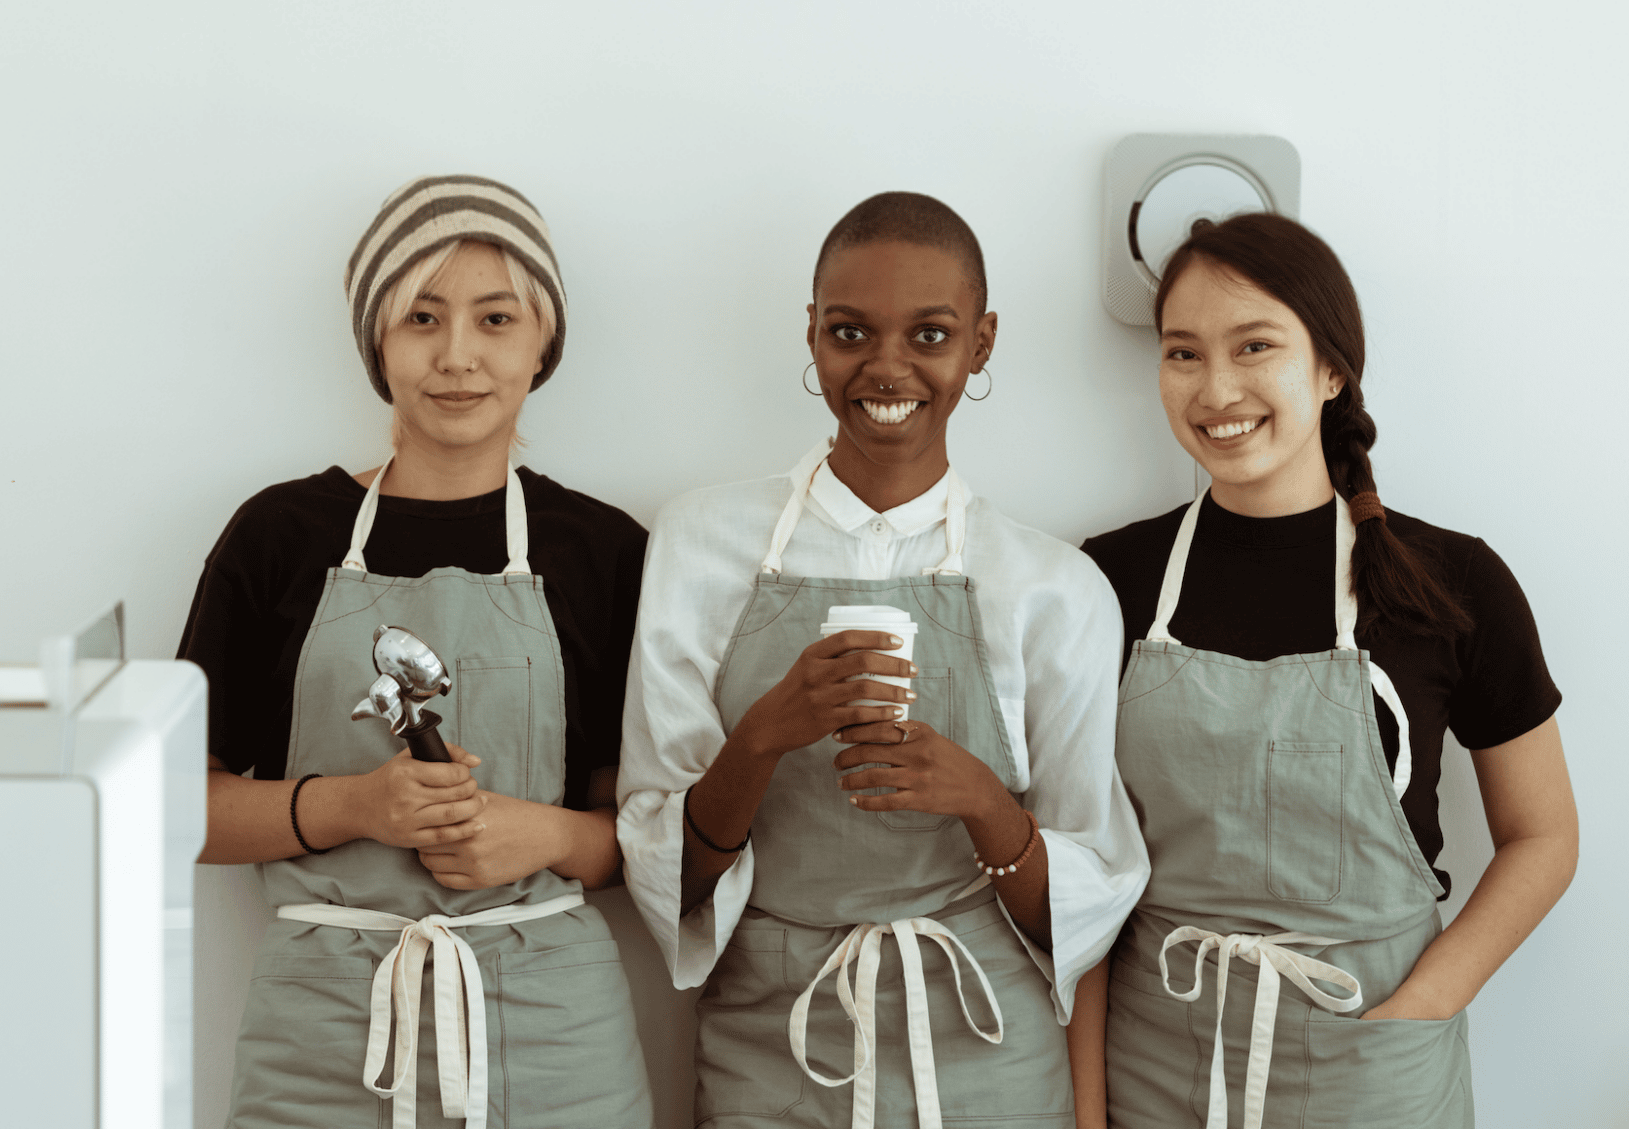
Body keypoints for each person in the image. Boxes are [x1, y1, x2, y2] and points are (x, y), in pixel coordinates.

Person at [618, 191, 1148, 1129]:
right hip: (771, 1049)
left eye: (931, 335)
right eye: (850, 331)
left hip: (987, 1056)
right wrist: (762, 738)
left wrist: (984, 802)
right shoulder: (701, 544)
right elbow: (670, 877)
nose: (886, 367)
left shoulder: (1052, 587)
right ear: (812, 336)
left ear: (982, 343)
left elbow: (1087, 904)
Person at [1081, 212, 1578, 1129]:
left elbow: (1543, 836)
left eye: (1254, 345)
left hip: (1373, 1065)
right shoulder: (1108, 580)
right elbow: (1084, 865)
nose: (1215, 387)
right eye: (1182, 353)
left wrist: (1426, 1004)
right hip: (1157, 1064)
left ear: (1331, 367)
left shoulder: (1454, 580)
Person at [180, 174, 652, 1129]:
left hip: (553, 1036)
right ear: (378, 343)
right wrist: (355, 805)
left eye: (494, 319)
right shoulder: (280, 535)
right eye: (422, 318)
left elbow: (653, 827)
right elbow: (177, 806)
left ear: (542, 341)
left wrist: (546, 836)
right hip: (320, 1036)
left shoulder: (602, 550)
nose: (457, 357)